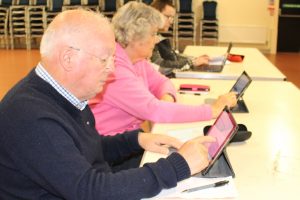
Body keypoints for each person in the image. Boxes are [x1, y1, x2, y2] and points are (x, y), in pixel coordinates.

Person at [0, 9, 218, 200]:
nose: (112, 69)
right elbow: (91, 191)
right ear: (68, 58)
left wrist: (137, 140)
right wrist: (178, 165)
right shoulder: (31, 117)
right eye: (104, 59)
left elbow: (86, 150)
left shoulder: (67, 95)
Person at [89, 2, 237, 136]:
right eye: (153, 34)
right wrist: (212, 110)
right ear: (134, 37)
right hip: (114, 150)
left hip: (131, 138)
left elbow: (163, 82)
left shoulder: (137, 61)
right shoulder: (115, 70)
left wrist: (167, 99)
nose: (155, 40)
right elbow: (156, 111)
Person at [150, 0, 210, 77]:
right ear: (156, 14)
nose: (171, 21)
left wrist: (194, 59)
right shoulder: (147, 38)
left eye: (172, 18)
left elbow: (173, 56)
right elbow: (161, 67)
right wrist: (192, 62)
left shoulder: (157, 35)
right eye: (168, 17)